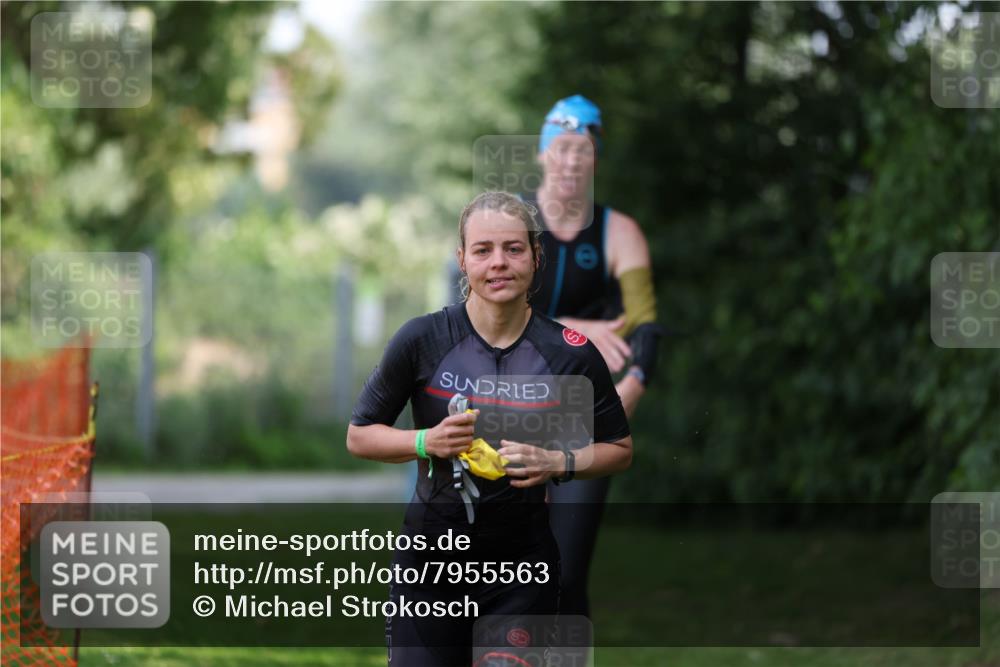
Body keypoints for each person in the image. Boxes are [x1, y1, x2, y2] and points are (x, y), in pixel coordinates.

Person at [346, 191, 633, 667]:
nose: (499, 263)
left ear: (536, 257)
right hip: (430, 568)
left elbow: (619, 449)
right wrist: (424, 441)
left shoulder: (570, 353)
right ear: (462, 259)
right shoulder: (422, 339)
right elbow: (359, 435)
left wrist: (556, 462)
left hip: (523, 572)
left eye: (514, 249)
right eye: (483, 250)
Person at [528, 94, 663, 621]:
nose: (570, 162)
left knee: (565, 574)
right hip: (506, 406)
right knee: (499, 569)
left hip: (582, 418)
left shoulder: (619, 232)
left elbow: (646, 326)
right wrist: (575, 329)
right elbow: (479, 315)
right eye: (560, 149)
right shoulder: (511, 223)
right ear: (542, 154)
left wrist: (628, 393)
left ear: (595, 160)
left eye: (582, 150)